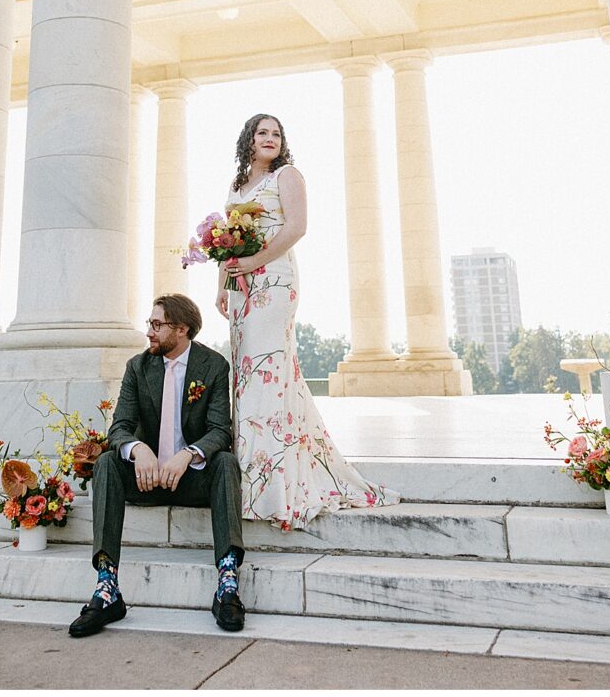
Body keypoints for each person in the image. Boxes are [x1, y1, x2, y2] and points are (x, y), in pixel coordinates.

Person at [219, 113, 396, 527]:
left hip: (275, 281)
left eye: (276, 134)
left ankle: (276, 484)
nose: (270, 139)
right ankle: (250, 477)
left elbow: (297, 228)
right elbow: (226, 241)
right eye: (262, 132)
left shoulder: (288, 176)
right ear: (248, 138)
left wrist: (252, 263)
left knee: (269, 370)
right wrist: (224, 283)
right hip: (241, 287)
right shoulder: (236, 186)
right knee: (245, 375)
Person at [69, 293, 246, 639]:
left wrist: (188, 455)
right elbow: (119, 426)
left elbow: (219, 432)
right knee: (106, 462)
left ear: (181, 330)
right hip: (145, 478)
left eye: (156, 325)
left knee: (225, 463)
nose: (149, 332)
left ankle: (227, 583)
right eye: (149, 323)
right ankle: (108, 589)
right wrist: (139, 451)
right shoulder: (138, 367)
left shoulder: (213, 366)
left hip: (191, 479)